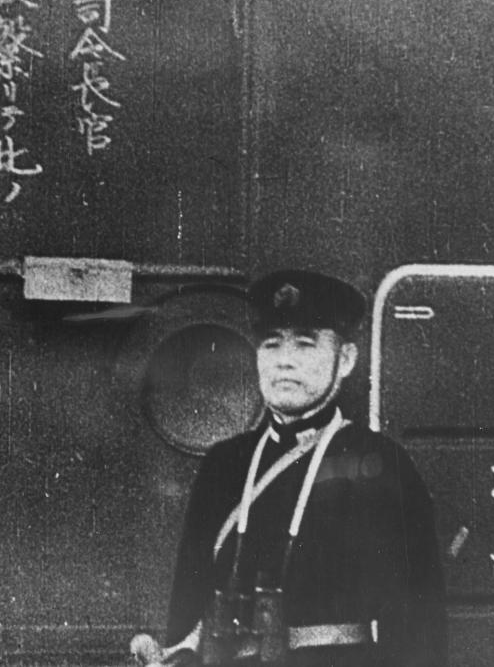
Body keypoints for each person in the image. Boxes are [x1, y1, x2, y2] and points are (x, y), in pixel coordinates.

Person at [136, 269, 447, 667]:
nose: (285, 361)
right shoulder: (226, 463)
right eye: (271, 345)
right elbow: (187, 607)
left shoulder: (382, 463)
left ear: (346, 359)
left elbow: (420, 626)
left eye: (305, 344)